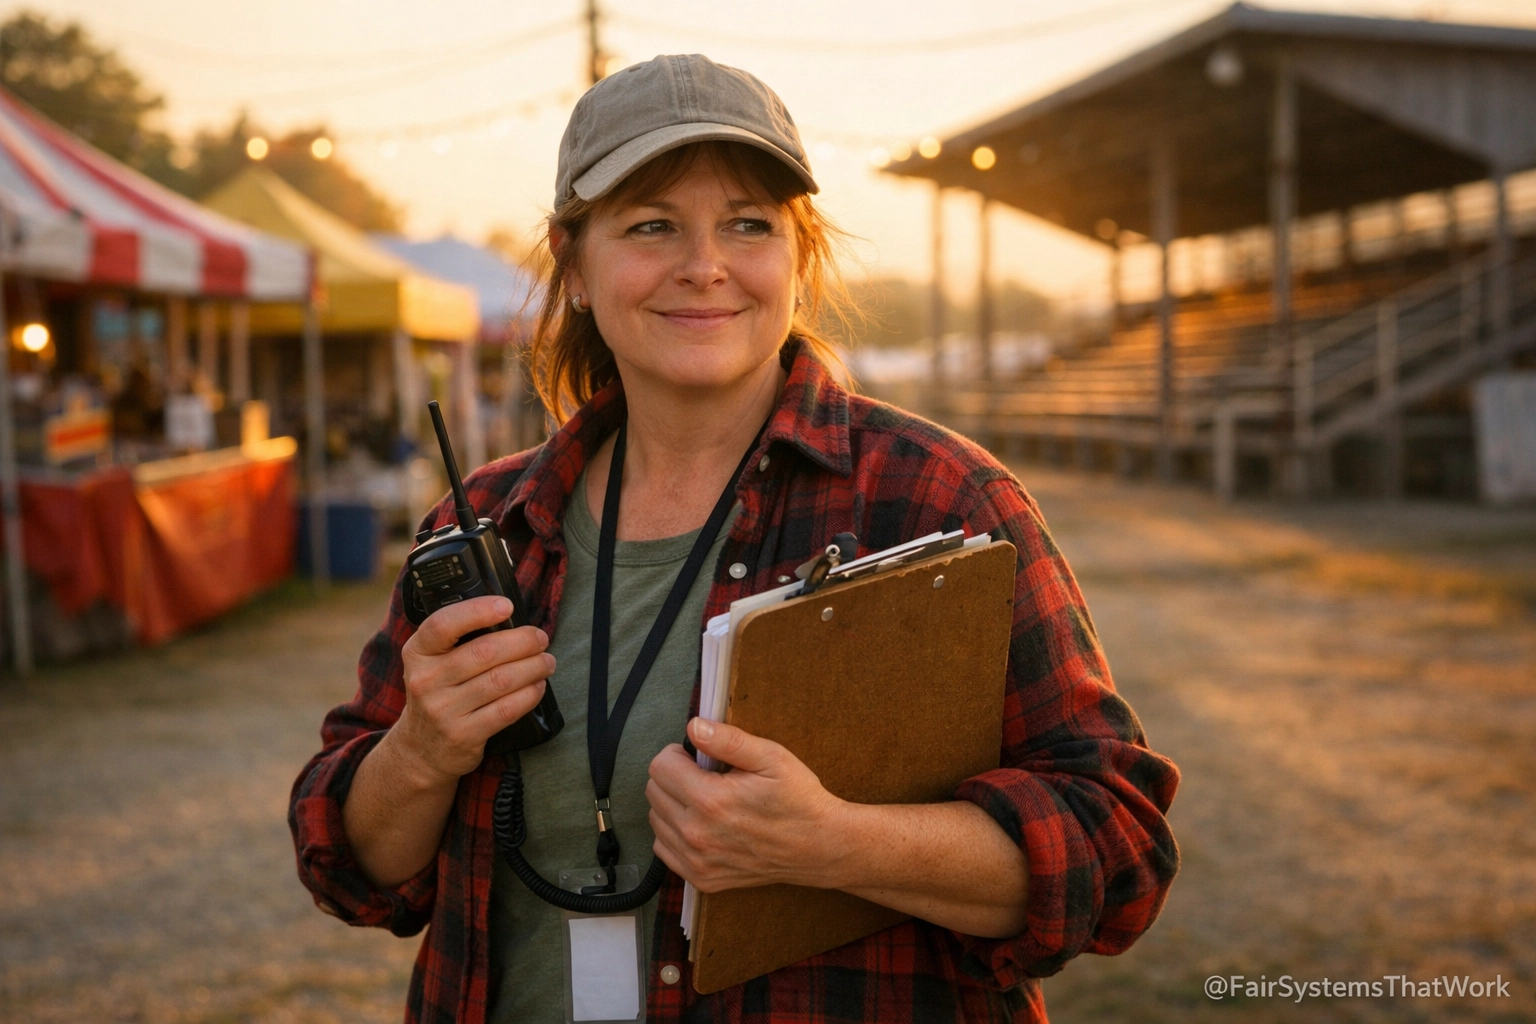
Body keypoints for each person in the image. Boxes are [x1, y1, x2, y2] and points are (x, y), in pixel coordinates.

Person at [290, 54, 1179, 1024]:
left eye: (748, 222)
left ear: (799, 253)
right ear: (574, 262)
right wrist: (420, 749)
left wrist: (834, 843)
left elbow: (1118, 850)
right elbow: (347, 864)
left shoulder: (940, 497)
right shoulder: (486, 523)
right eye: (651, 224)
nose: (704, 264)